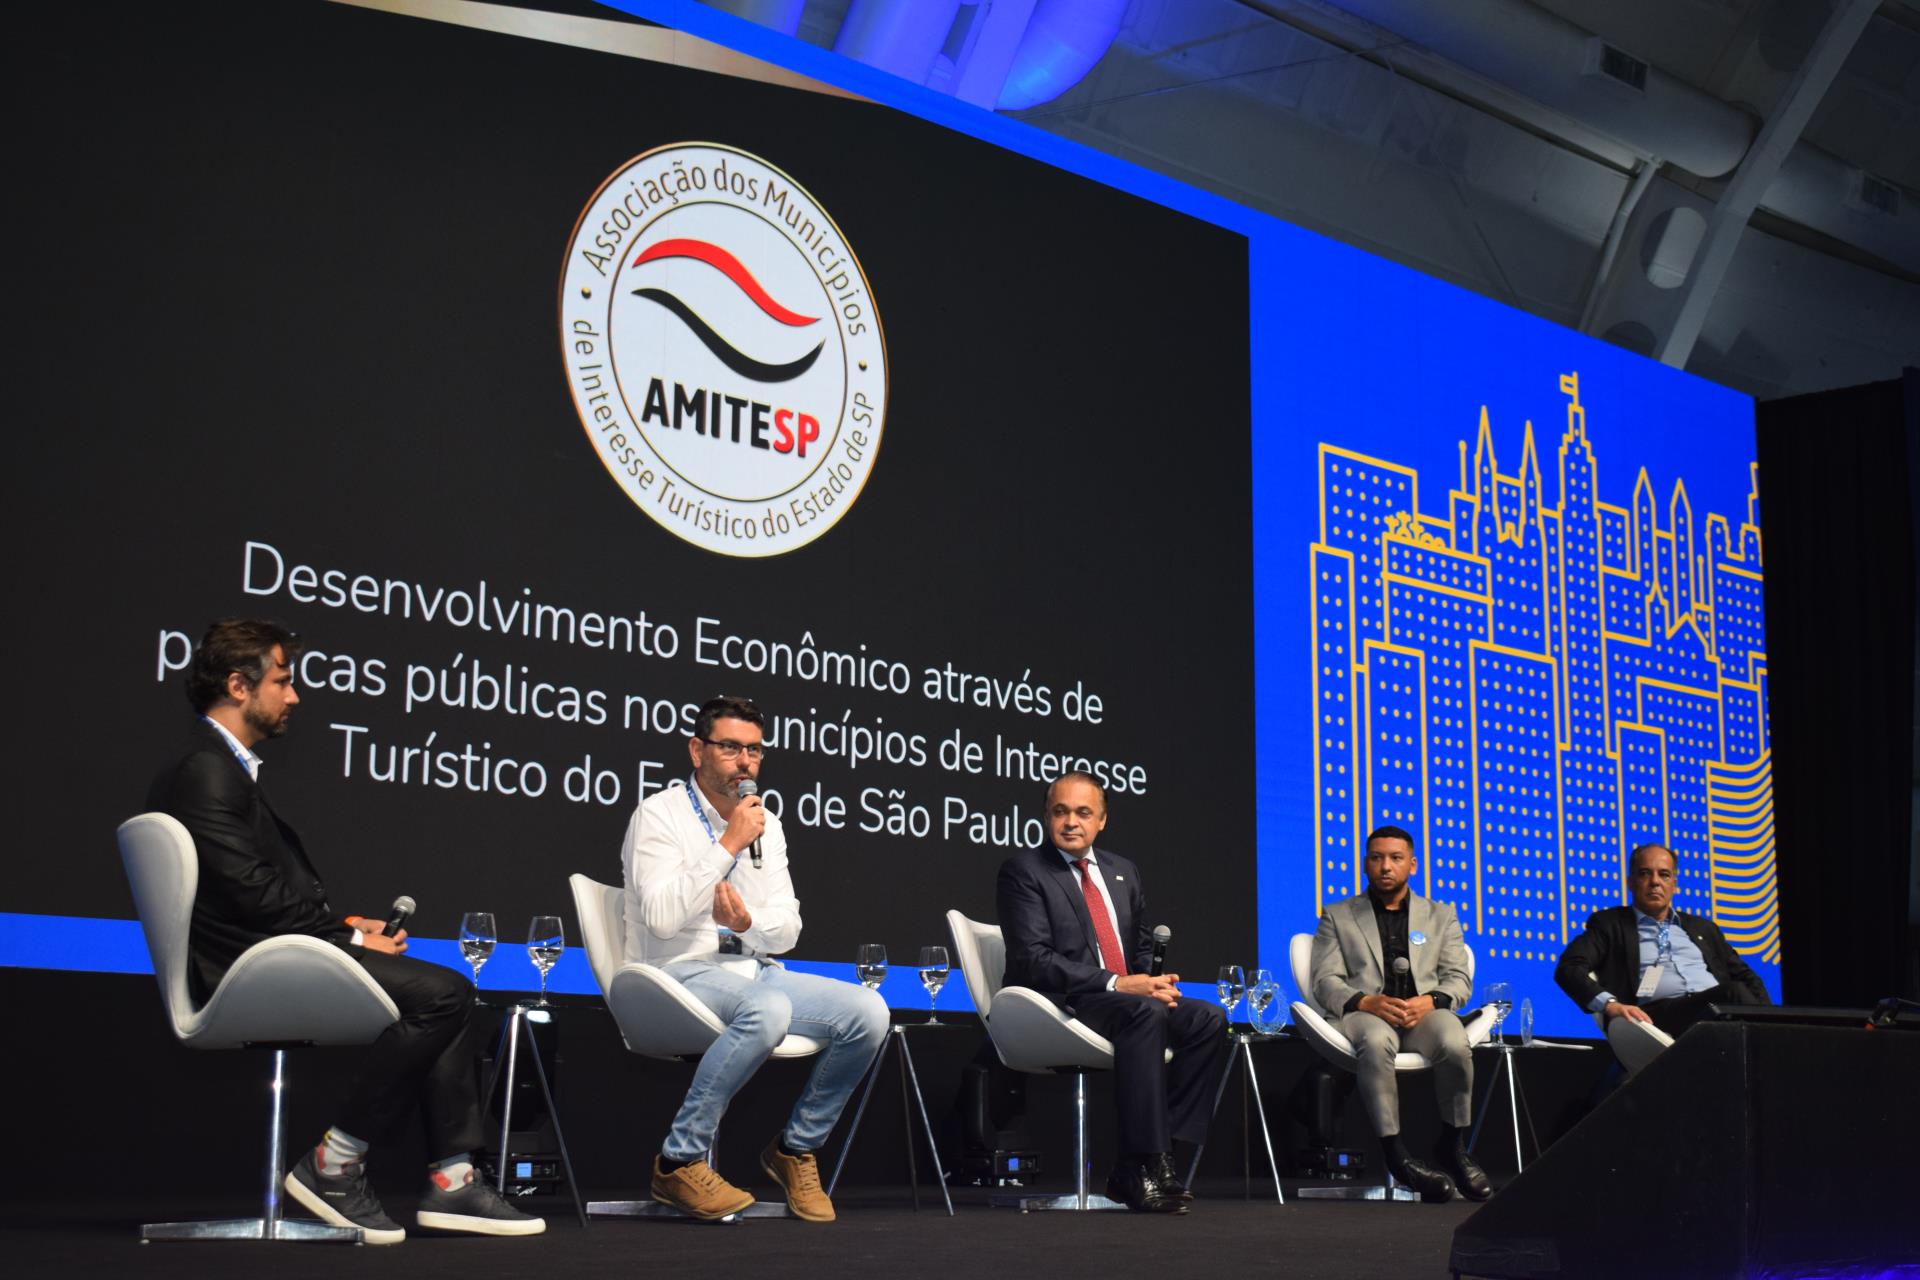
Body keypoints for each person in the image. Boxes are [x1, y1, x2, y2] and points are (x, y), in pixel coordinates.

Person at [148, 619, 542, 1244]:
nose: (295, 696)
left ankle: (453, 1178)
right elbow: (250, 894)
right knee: (442, 995)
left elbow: (251, 889)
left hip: (270, 948)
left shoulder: (222, 767)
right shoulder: (206, 769)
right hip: (245, 966)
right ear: (237, 686)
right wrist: (352, 942)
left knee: (447, 992)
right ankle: (335, 1163)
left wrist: (345, 927)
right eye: (283, 680)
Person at [621, 695, 888, 1222]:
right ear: (697, 751)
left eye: (754, 751)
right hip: (675, 974)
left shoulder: (770, 826)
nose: (745, 762)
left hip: (754, 969)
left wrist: (748, 925)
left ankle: (794, 1149)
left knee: (869, 1013)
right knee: (767, 1011)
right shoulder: (658, 815)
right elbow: (659, 918)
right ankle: (678, 1161)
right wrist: (727, 844)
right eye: (730, 748)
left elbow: (787, 928)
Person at [995, 772, 1230, 1214]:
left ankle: (1153, 1163)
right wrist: (1118, 984)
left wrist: (1152, 982)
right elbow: (1033, 959)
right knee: (1146, 1016)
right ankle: (1146, 1160)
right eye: (1060, 811)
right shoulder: (1024, 871)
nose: (1070, 822)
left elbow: (1138, 946)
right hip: (1064, 1002)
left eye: (1083, 812)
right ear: (1046, 816)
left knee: (1207, 1019)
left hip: (1125, 1001)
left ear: (1101, 821)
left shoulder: (1123, 871)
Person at [1309, 824, 1489, 1202]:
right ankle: (1396, 1155)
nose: (1385, 867)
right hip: (1366, 1013)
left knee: (1455, 1042)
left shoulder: (1441, 915)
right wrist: (1365, 1001)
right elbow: (1324, 980)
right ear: (1364, 864)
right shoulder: (1338, 916)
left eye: (1395, 858)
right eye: (1376, 858)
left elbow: (1458, 978)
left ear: (1413, 865)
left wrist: (1434, 1000)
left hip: (1422, 1012)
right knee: (1375, 1042)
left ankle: (1452, 1146)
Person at [1554, 842, 1771, 1056]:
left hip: (1718, 1012)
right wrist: (1610, 1005)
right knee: (1733, 993)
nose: (1655, 882)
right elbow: (1570, 968)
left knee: (1739, 995)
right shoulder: (1611, 924)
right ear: (1631, 882)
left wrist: (1770, 1017)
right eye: (1645, 874)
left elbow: (1746, 976)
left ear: (1674, 884)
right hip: (1654, 1018)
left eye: (1664, 875)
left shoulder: (1703, 928)